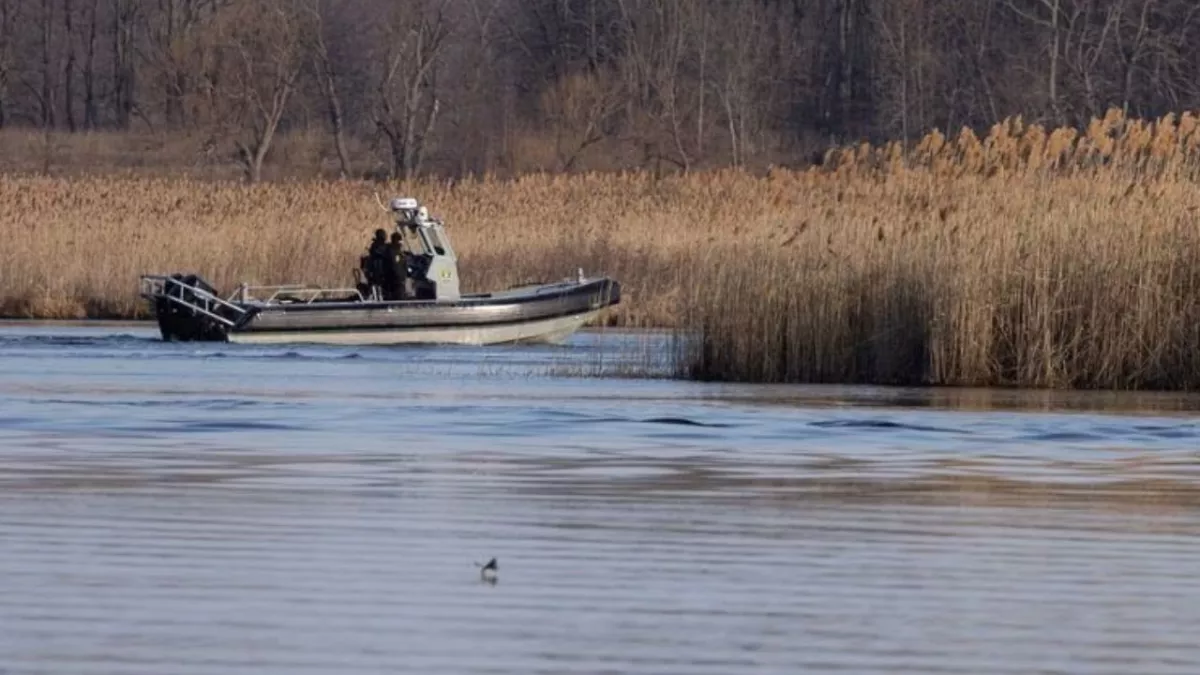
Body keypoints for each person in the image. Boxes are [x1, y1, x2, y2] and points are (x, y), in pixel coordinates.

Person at [385, 231, 408, 300]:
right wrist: (401, 279)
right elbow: (396, 267)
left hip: (396, 279)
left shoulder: (393, 250)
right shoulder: (393, 252)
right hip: (396, 281)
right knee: (399, 296)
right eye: (399, 240)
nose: (401, 243)